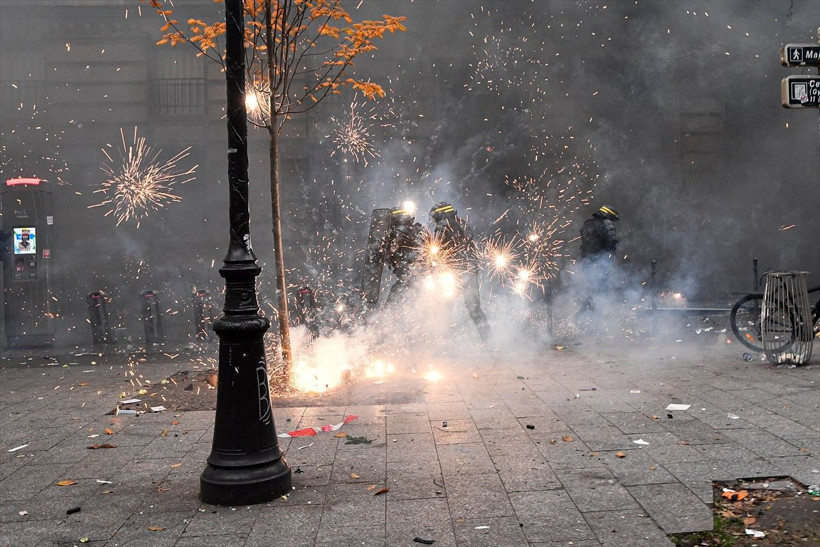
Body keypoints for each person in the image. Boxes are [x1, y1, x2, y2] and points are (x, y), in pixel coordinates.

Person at [430, 202, 491, 343]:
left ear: (439, 213)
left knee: (444, 308)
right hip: (469, 272)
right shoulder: (462, 223)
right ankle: (489, 341)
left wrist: (435, 269)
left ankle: (441, 343)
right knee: (475, 309)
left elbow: (437, 252)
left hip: (453, 274)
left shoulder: (441, 227)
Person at [577, 204, 619, 314]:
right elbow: (612, 242)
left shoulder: (588, 223)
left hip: (586, 261)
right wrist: (611, 257)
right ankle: (593, 316)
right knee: (600, 290)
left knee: (590, 289)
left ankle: (584, 314)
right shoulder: (606, 224)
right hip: (600, 262)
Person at [385, 206, 426, 305]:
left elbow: (391, 250)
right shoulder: (418, 229)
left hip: (408, 274)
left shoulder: (397, 233)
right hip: (424, 274)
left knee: (392, 302)